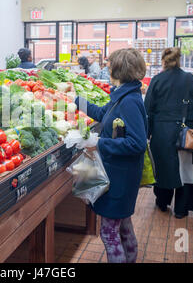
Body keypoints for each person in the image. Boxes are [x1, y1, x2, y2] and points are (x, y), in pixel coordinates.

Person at [75, 48, 148, 263]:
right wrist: (76, 100)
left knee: (108, 233)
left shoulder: (129, 101)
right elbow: (102, 114)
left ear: (119, 70)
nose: (107, 68)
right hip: (120, 174)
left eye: (110, 65)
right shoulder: (124, 94)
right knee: (124, 227)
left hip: (120, 177)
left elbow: (137, 143)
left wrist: (98, 142)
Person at [144, 47, 193, 219]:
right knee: (186, 170)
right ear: (179, 60)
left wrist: (147, 133)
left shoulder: (157, 80)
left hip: (162, 132)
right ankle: (181, 209)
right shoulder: (190, 78)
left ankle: (162, 202)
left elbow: (148, 110)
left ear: (163, 61)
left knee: (164, 168)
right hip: (188, 131)